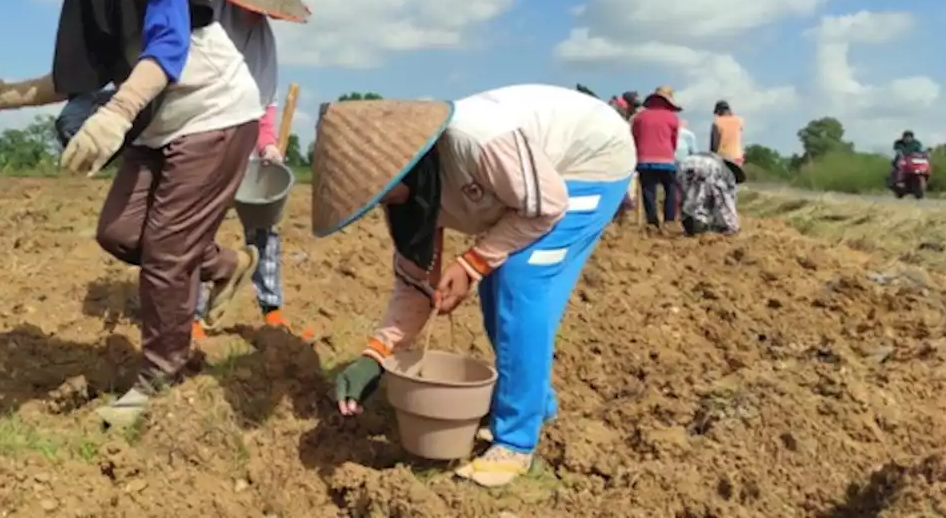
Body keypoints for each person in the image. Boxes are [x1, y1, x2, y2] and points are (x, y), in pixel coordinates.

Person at [0, 0, 264, 427]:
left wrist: (116, 114)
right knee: (120, 233)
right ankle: (225, 264)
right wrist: (2, 96)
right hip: (159, 123)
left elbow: (168, 48)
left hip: (212, 113)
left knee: (168, 253)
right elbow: (75, 76)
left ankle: (159, 377)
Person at [317, 85, 635, 488]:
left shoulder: (477, 143)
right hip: (529, 187)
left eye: (376, 190)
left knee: (520, 279)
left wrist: (471, 262)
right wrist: (375, 355)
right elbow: (416, 284)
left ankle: (516, 444)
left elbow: (548, 205)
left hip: (589, 160)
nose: (378, 201)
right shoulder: (406, 197)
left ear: (398, 163)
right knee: (498, 291)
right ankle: (536, 405)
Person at [191, 0, 313, 340]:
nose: (253, 14)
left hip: (244, 141)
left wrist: (268, 145)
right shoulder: (203, 30)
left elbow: (264, 101)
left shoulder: (263, 41)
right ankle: (192, 312)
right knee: (197, 226)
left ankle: (270, 306)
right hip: (203, 137)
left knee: (264, 227)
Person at [630, 86, 682, 228]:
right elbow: (674, 141)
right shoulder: (673, 118)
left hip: (644, 159)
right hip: (666, 158)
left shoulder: (639, 117)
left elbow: (635, 139)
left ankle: (652, 223)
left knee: (648, 190)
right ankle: (669, 220)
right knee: (670, 188)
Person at [677, 152, 744, 236]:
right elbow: (728, 200)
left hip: (685, 163)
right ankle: (732, 228)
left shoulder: (717, 160)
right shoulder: (728, 173)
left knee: (688, 196)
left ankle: (690, 223)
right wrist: (733, 225)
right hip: (709, 166)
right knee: (721, 199)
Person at [710, 100, 744, 167]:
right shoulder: (740, 121)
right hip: (737, 158)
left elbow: (714, 145)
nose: (717, 115)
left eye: (717, 113)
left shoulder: (716, 122)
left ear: (719, 111)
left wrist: (712, 157)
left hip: (722, 158)